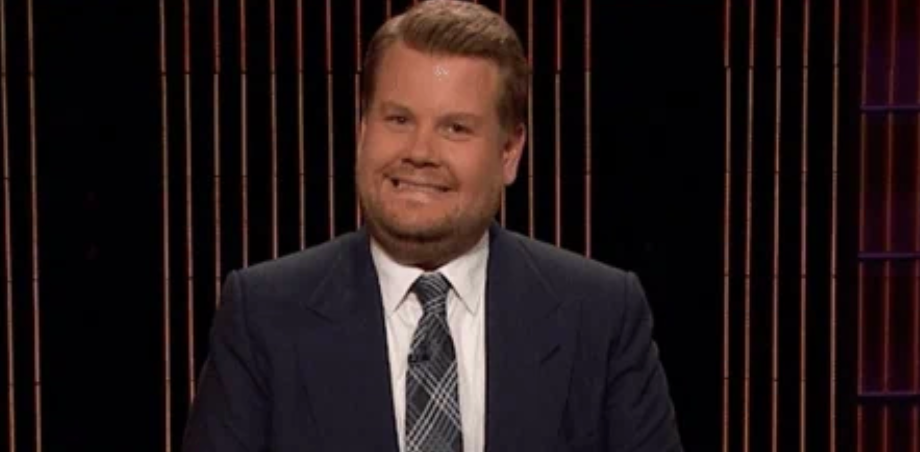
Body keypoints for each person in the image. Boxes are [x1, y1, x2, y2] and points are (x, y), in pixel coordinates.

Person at [181, 1, 682, 451]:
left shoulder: (600, 315)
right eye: (398, 120)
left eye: (455, 128)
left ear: (510, 151)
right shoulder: (264, 315)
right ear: (362, 131)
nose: (419, 152)